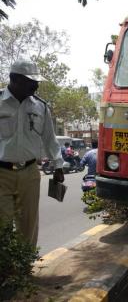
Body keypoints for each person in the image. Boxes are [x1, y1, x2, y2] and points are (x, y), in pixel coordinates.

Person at [0, 60, 64, 247]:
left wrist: (58, 165)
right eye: (31, 81)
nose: (36, 85)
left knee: (28, 223)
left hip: (30, 173)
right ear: (14, 79)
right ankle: (5, 268)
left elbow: (49, 139)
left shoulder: (40, 106)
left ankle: (24, 268)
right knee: (2, 224)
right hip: (1, 173)